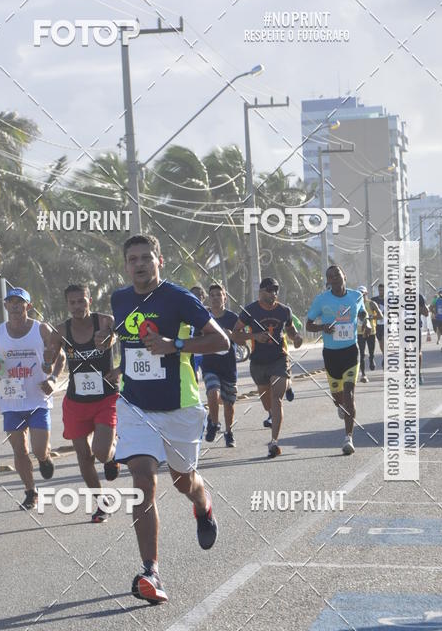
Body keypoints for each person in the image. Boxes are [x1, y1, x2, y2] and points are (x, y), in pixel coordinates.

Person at [111, 234, 229, 605]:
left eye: (147, 257)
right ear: (126, 265)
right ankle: (151, 571)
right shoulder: (120, 299)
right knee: (142, 479)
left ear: (160, 260)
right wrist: (117, 366)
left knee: (182, 481)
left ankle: (202, 502)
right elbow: (129, 345)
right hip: (135, 406)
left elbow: (221, 342)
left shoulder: (179, 298)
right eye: (133, 259)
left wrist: (174, 345)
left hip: (179, 407)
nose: (140, 264)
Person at [44, 284, 120, 524]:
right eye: (72, 302)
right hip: (76, 401)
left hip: (105, 398)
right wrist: (48, 361)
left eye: (81, 301)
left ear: (89, 300)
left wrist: (120, 368)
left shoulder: (106, 321)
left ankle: (112, 457)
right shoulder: (61, 330)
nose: (77, 306)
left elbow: (126, 339)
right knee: (83, 456)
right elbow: (53, 358)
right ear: (67, 305)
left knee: (100, 451)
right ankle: (100, 504)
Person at [0, 287, 63, 510]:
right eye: (11, 302)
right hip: (11, 400)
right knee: (19, 450)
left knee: (38, 449)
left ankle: (44, 459)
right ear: (5, 306)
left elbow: (60, 355)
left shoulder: (41, 329)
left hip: (38, 399)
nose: (15, 306)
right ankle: (30, 492)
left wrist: (53, 379)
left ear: (29, 306)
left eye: (20, 302)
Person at [233, 277, 303, 459]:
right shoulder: (249, 311)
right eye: (270, 290)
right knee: (267, 403)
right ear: (261, 292)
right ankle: (277, 403)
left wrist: (296, 338)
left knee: (277, 397)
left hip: (279, 359)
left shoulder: (284, 310)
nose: (274, 294)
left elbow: (291, 329)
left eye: (276, 290)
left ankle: (274, 442)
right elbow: (235, 335)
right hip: (258, 363)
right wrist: (254, 336)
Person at [306, 264, 370, 455]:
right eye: (330, 276)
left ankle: (348, 438)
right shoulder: (321, 300)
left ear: (344, 276)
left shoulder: (355, 296)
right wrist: (322, 328)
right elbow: (309, 324)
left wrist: (365, 322)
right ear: (328, 281)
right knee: (338, 399)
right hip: (331, 354)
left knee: (349, 394)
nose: (334, 278)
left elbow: (361, 312)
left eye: (337, 274)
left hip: (351, 351)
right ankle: (340, 406)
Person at [202, 283, 238, 448]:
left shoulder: (232, 318)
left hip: (229, 367)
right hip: (210, 365)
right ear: (209, 298)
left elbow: (243, 338)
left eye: (219, 294)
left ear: (225, 297)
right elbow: (195, 337)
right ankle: (214, 424)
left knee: (229, 405)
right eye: (213, 295)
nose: (216, 297)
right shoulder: (203, 317)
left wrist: (233, 335)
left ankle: (229, 432)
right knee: (212, 392)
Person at [357, 286, 381, 382]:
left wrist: (372, 317)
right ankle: (363, 375)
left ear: (366, 294)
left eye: (362, 294)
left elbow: (381, 316)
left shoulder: (371, 303)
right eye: (359, 294)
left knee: (371, 352)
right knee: (361, 354)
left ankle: (371, 359)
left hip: (371, 332)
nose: (361, 296)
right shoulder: (355, 305)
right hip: (359, 332)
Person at [371, 283, 385, 366]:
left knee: (384, 341)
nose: (381, 292)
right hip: (377, 325)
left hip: (387, 324)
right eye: (380, 290)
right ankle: (385, 355)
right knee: (380, 342)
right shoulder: (374, 300)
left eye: (383, 290)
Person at [419, 293, 429, 384]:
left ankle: (418, 373)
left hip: (415, 328)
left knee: (417, 352)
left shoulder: (419, 297)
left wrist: (421, 307)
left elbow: (426, 314)